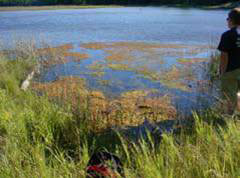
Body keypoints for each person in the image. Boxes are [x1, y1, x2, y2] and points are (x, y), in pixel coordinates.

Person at [217, 8, 240, 111]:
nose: (227, 21)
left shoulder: (227, 35)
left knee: (229, 96)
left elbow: (224, 57)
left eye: (227, 19)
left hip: (231, 71)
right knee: (238, 93)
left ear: (231, 20)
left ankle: (230, 118)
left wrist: (222, 72)